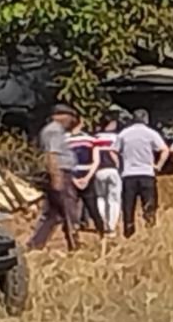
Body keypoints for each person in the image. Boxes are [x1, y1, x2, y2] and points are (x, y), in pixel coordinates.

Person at [27, 104, 80, 252]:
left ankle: (36, 244)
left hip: (60, 173)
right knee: (69, 210)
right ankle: (74, 242)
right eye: (71, 117)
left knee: (53, 214)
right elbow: (52, 155)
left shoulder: (54, 131)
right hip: (61, 173)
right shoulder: (54, 131)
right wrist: (57, 177)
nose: (72, 121)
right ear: (60, 116)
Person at [116, 109, 170, 238]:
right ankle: (150, 231)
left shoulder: (124, 134)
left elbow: (114, 150)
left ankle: (128, 233)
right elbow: (165, 150)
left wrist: (120, 165)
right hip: (147, 174)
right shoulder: (151, 133)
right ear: (146, 119)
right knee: (149, 206)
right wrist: (158, 165)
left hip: (128, 174)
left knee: (128, 206)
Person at [68, 119, 105, 237]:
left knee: (71, 209)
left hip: (72, 177)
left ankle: (73, 235)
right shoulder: (91, 140)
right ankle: (102, 233)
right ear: (82, 124)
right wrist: (88, 177)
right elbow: (96, 161)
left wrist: (73, 179)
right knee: (93, 207)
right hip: (87, 175)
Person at [92, 113, 123, 236]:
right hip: (113, 170)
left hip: (99, 170)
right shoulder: (117, 137)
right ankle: (112, 226)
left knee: (100, 197)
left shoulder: (95, 138)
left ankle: (103, 223)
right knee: (114, 199)